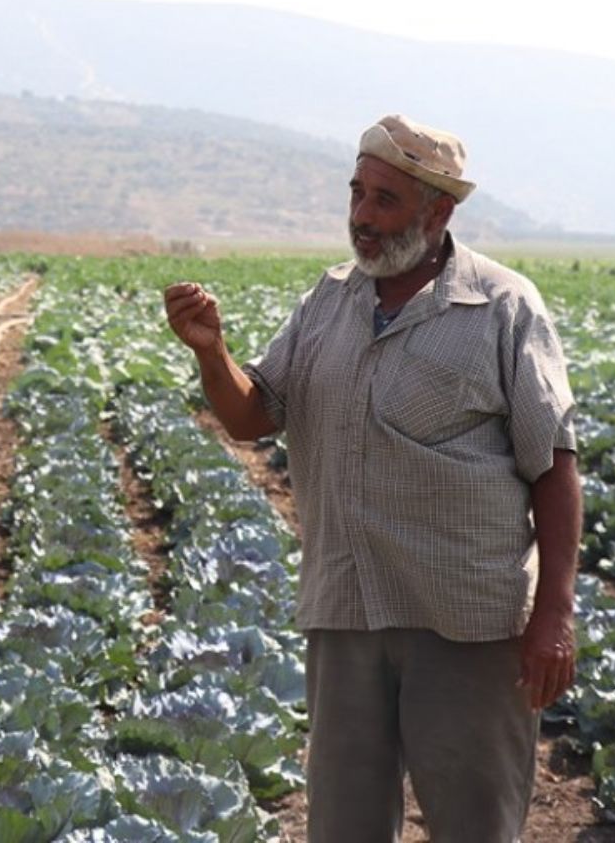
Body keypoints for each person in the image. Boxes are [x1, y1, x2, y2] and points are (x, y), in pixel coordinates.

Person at [164, 114, 581, 843]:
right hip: (348, 610)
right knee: (343, 825)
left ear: (438, 212)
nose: (361, 215)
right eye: (357, 193)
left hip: (465, 621)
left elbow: (553, 466)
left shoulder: (503, 307)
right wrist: (211, 351)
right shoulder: (329, 300)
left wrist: (554, 614)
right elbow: (253, 414)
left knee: (475, 825)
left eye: (385, 199)